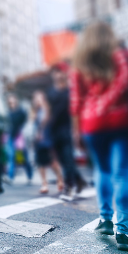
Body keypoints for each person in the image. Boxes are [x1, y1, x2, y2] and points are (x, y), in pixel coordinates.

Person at [70, 21, 128, 252]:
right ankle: (123, 231)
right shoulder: (121, 56)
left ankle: (105, 219)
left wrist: (78, 130)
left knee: (103, 170)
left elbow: (76, 101)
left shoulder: (80, 64)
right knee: (123, 175)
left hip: (92, 124)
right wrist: (108, 104)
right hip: (124, 121)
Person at [46, 63, 79, 198]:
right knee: (61, 159)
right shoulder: (50, 92)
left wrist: (76, 130)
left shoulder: (71, 91)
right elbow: (47, 112)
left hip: (67, 129)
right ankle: (77, 181)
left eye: (60, 72)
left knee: (68, 159)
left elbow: (74, 112)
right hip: (53, 130)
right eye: (55, 72)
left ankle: (69, 186)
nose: (58, 75)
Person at [32, 90, 62, 195]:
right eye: (35, 99)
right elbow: (33, 125)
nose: (37, 101)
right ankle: (44, 184)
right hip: (39, 142)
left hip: (48, 140)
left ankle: (60, 179)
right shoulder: (36, 111)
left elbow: (47, 122)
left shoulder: (47, 109)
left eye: (39, 98)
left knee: (53, 162)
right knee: (41, 163)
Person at [7, 95, 34, 185]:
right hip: (11, 136)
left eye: (13, 102)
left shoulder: (21, 112)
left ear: (16, 102)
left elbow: (25, 121)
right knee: (11, 156)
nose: (12, 104)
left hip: (20, 137)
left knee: (24, 157)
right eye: (10, 103)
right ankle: (10, 177)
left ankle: (30, 176)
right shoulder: (8, 113)